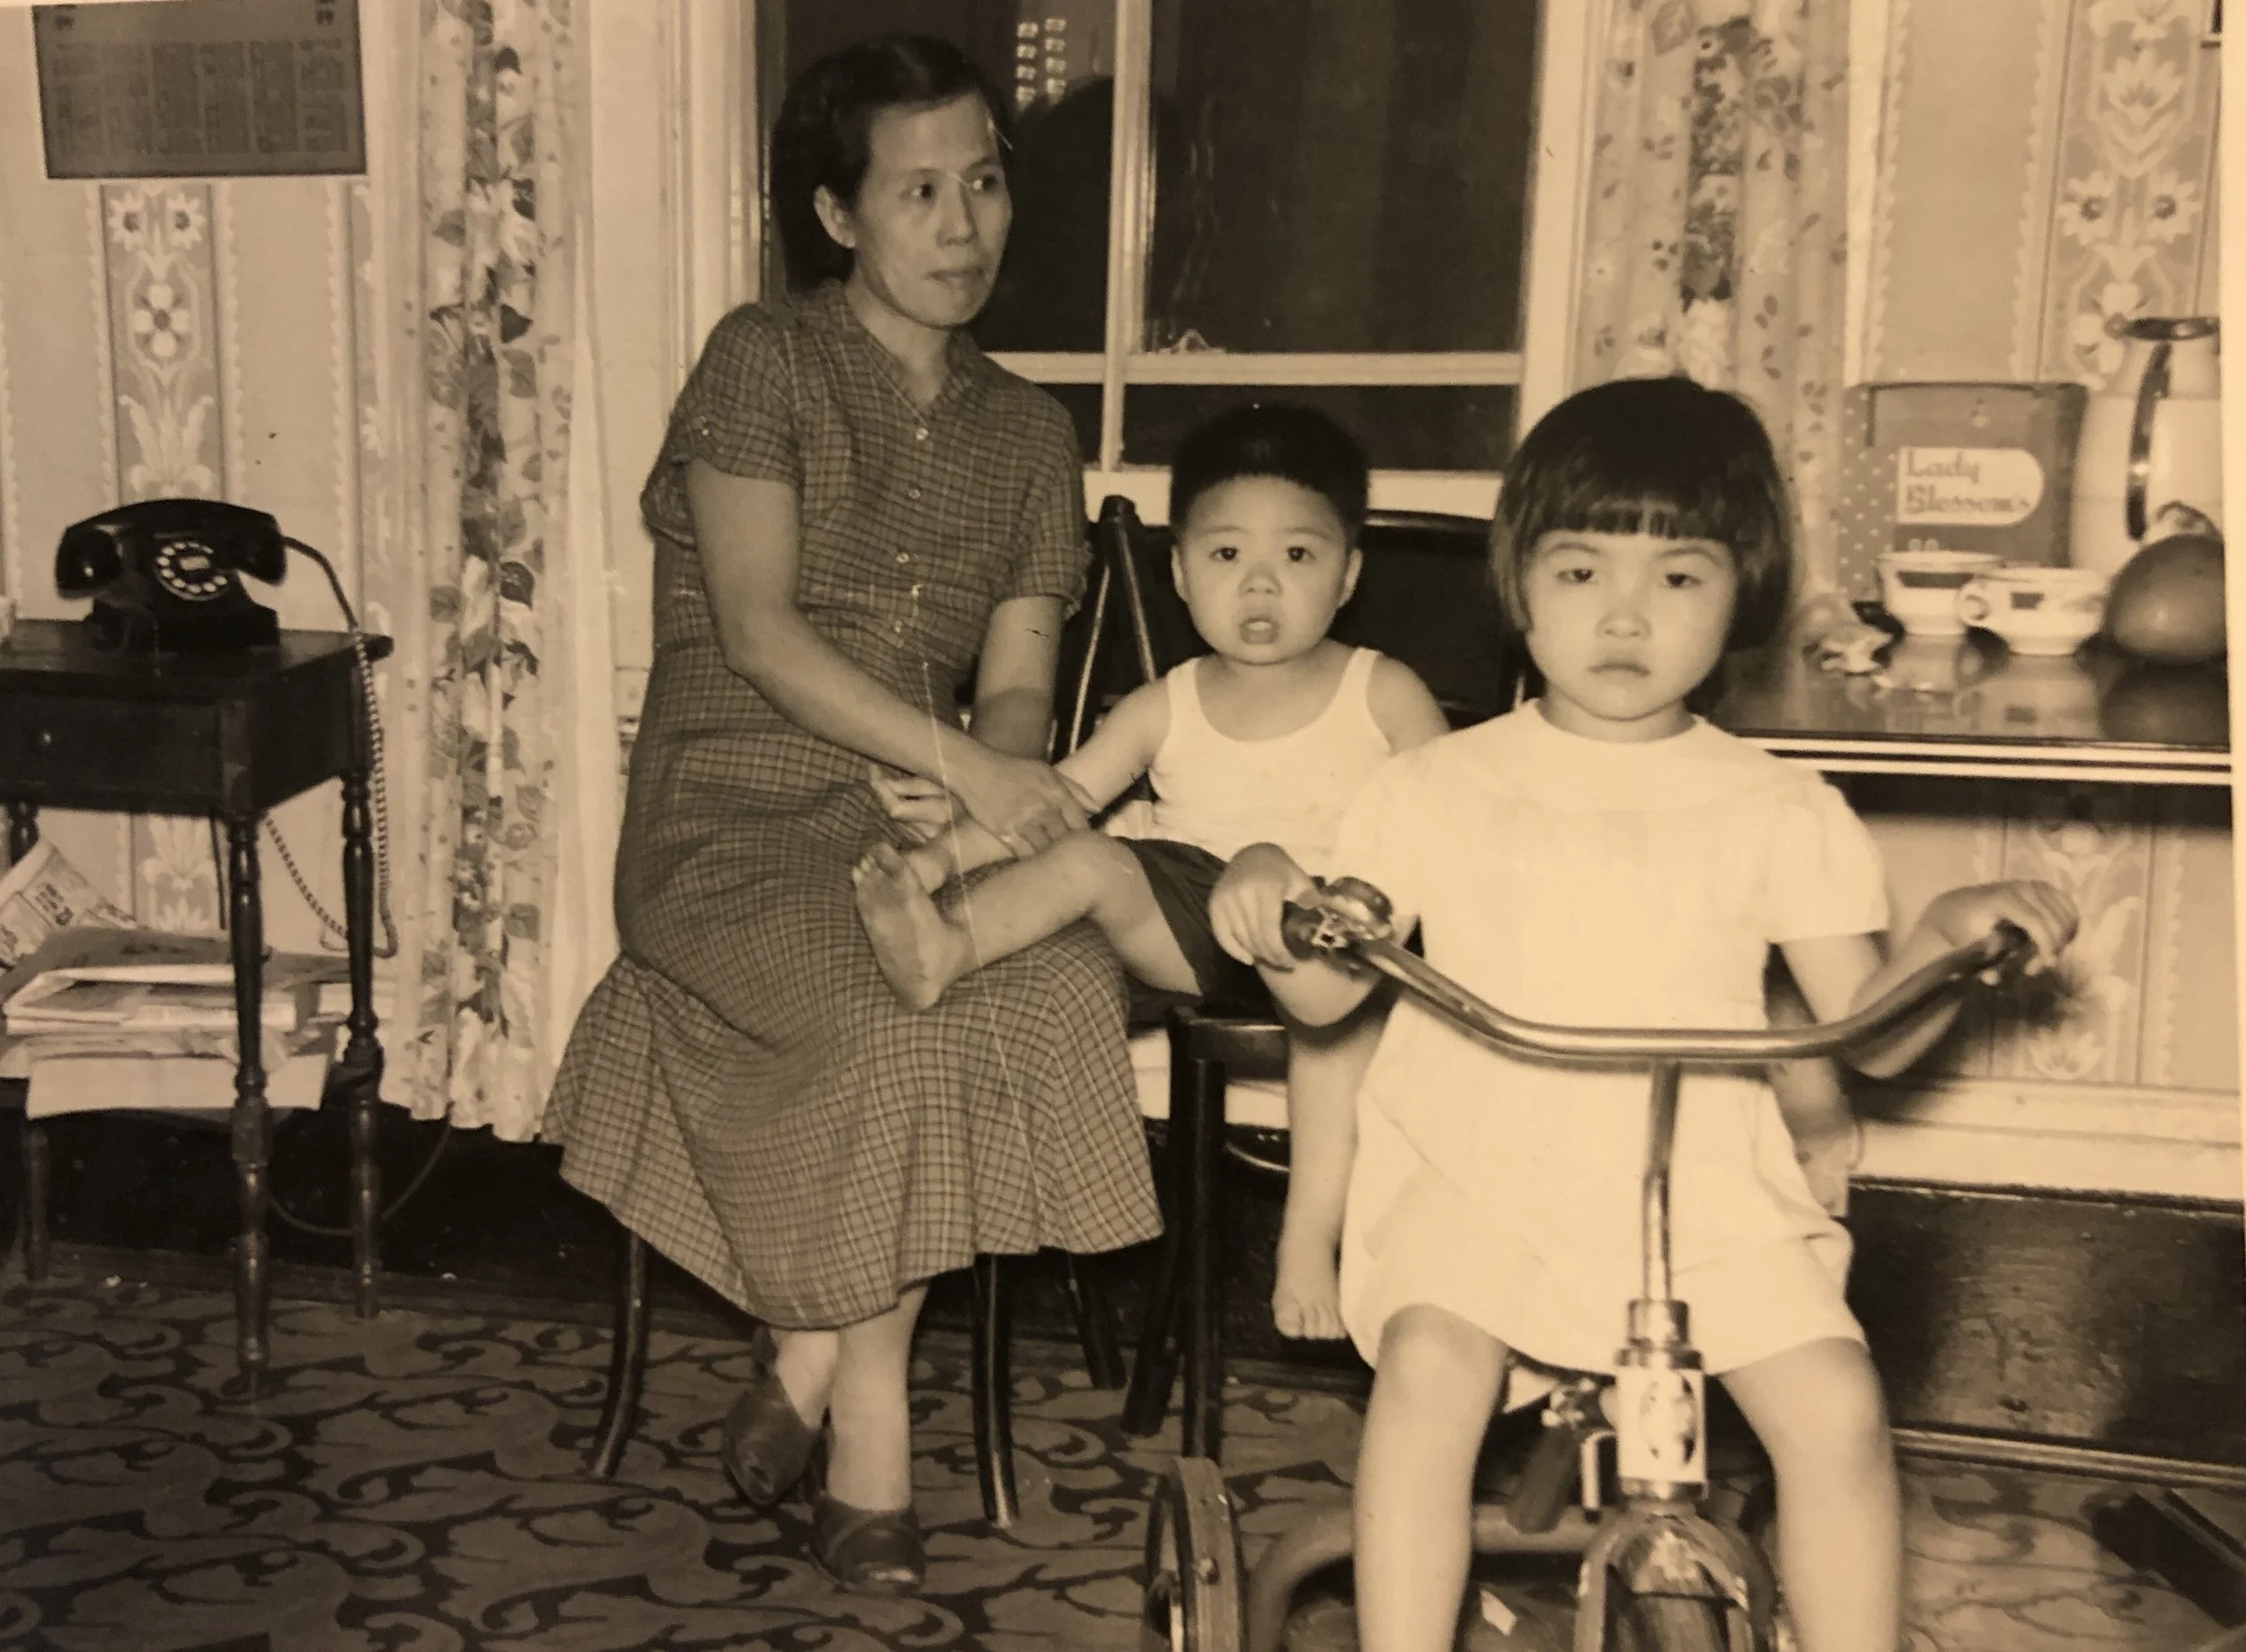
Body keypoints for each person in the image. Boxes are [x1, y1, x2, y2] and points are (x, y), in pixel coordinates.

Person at [1209, 376, 2080, 1652]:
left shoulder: (1780, 805)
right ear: (1519, 581)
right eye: (1578, 570)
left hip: (1702, 1187)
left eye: (1678, 578)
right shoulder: (1434, 787)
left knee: (1835, 1398)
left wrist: (1945, 939)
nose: (1624, 613)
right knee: (1428, 1378)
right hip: (1481, 1174)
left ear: (1745, 592)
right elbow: (1333, 992)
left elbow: (1872, 1035)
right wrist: (1270, 901)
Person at [542, 35, 1163, 1595]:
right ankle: (867, 1414)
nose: (966, 225)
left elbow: (1019, 691)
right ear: (837, 214)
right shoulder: (763, 359)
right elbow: (754, 629)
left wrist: (974, 768)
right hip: (727, 820)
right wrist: (957, 764)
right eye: (920, 191)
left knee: (1060, 976)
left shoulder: (1028, 433)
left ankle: (803, 1357)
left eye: (986, 182)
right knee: (900, 1019)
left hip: (906, 828)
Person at [852, 402, 1451, 1339]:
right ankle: (945, 946)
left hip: (1334, 939)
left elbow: (1450, 823)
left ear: (1347, 577)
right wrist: (933, 860)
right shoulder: (1166, 702)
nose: (1260, 585)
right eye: (1224, 557)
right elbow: (1049, 801)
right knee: (1086, 854)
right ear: (1179, 573)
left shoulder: (1382, 689)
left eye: (1297, 557)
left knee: (1334, 1032)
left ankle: (1307, 1239)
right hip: (1192, 924)